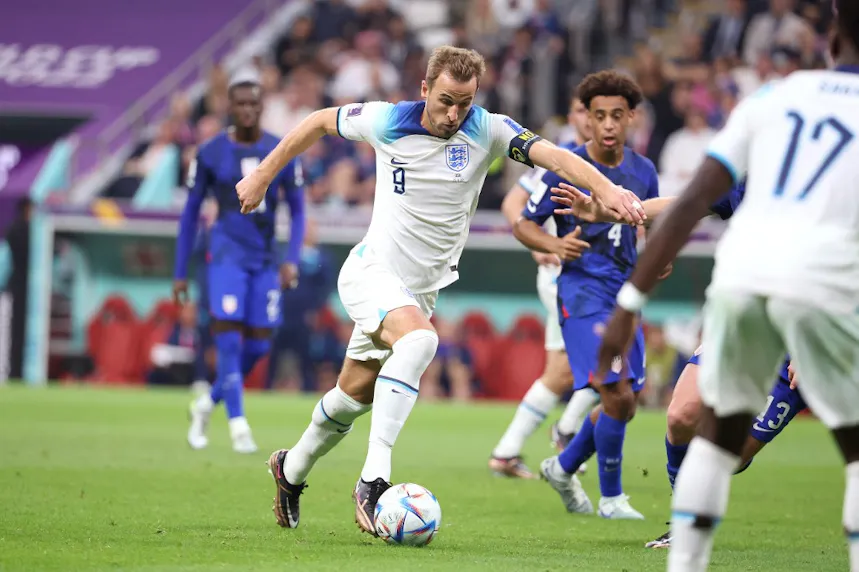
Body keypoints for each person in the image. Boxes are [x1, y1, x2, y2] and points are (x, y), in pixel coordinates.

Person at [234, 45, 645, 533]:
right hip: (371, 271)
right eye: (446, 100)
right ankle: (373, 481)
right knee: (422, 340)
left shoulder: (488, 129)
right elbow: (320, 120)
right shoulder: (387, 121)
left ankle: (291, 469)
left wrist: (608, 190)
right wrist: (261, 174)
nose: (454, 114)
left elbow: (553, 155)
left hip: (418, 290)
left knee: (353, 397)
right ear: (425, 89)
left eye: (464, 103)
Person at [592, 2, 859, 568]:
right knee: (687, 420)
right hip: (783, 291)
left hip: (810, 297)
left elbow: (696, 199)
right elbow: (699, 200)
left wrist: (627, 303)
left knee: (725, 449)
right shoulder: (772, 100)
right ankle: (679, 536)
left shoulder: (774, 98)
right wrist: (630, 236)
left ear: (832, 37)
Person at [553, 181, 809, 546]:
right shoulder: (751, 181)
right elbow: (685, 202)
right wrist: (612, 212)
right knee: (681, 416)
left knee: (729, 457)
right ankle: (685, 524)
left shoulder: (830, 196)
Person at [514, 70, 657, 520]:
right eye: (600, 116)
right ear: (587, 120)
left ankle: (562, 466)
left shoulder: (644, 171)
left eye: (618, 115)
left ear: (631, 117)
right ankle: (611, 498)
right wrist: (554, 246)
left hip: (625, 295)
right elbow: (523, 222)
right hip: (581, 293)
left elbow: (649, 226)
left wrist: (657, 256)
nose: (609, 124)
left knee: (626, 400)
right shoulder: (567, 165)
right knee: (614, 391)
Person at [175, 70, 306, 454]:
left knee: (260, 347)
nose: (247, 110)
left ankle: (205, 404)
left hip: (265, 260)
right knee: (228, 341)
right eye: (240, 103)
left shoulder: (281, 150)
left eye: (254, 103)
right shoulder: (211, 152)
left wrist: (292, 259)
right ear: (229, 107)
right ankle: (238, 425)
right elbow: (190, 213)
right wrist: (180, 271)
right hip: (225, 256)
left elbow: (298, 211)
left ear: (262, 107)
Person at [489, 94, 599, 479]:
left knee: (562, 371)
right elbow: (513, 203)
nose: (594, 120)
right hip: (564, 276)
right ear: (573, 116)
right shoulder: (560, 157)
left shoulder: (615, 162)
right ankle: (567, 433)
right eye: (586, 111)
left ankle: (507, 452)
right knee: (612, 358)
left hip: (593, 279)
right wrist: (540, 247)